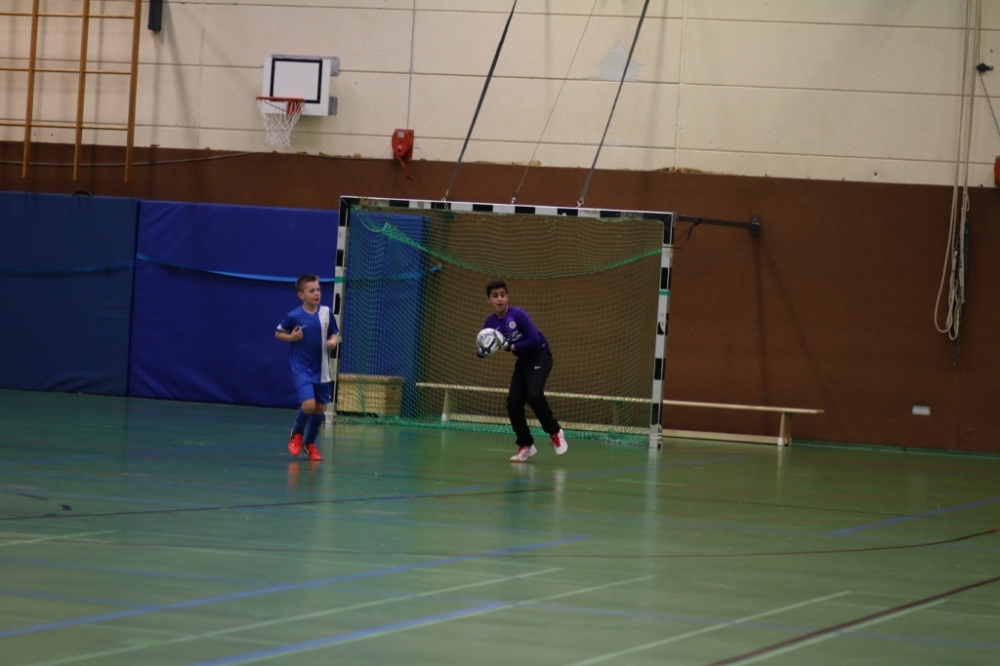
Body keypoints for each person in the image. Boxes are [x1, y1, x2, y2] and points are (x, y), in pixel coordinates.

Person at [478, 279, 568, 462]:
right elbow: (483, 345)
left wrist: (511, 346)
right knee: (513, 403)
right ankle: (525, 445)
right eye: (495, 296)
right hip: (523, 362)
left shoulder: (518, 315)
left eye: (503, 295)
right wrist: (482, 351)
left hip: (540, 356)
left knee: (534, 396)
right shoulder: (490, 322)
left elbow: (534, 340)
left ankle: (555, 432)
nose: (499, 299)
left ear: (508, 297)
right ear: (488, 300)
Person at [275, 274, 339, 461]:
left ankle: (309, 443)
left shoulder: (326, 312)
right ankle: (296, 433)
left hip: (322, 369)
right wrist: (291, 338)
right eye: (312, 291)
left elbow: (334, 332)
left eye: (318, 289)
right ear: (301, 295)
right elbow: (278, 333)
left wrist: (333, 341)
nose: (317, 293)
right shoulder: (294, 316)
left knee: (319, 408)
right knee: (309, 405)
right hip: (302, 369)